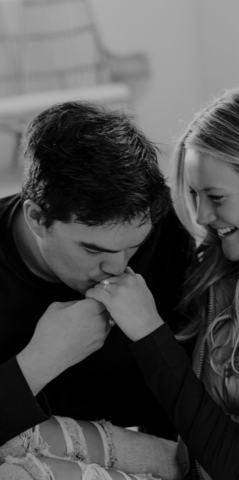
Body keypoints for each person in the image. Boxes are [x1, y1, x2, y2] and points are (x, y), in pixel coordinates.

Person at [81, 83, 239, 480]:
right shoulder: (227, 261)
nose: (203, 216)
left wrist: (148, 332)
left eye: (216, 196)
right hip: (192, 466)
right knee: (25, 443)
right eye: (193, 194)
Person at [0, 101, 191, 466]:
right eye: (91, 248)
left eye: (134, 246)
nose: (118, 268)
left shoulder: (166, 236)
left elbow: (194, 395)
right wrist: (39, 362)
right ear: (37, 217)